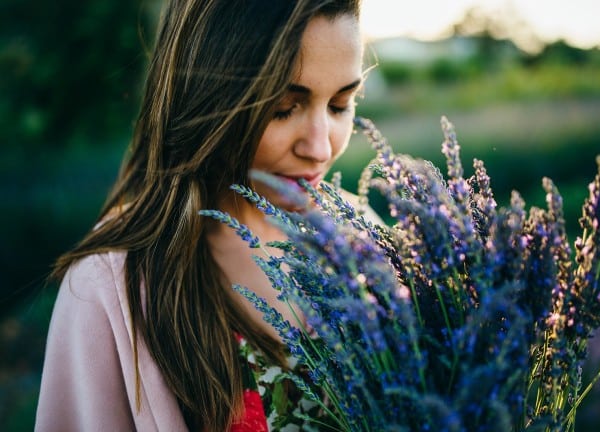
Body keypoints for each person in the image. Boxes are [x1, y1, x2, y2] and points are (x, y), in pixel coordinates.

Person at [35, 0, 370, 430]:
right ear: (207, 98)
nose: (321, 149)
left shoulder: (362, 240)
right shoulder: (110, 286)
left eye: (341, 105)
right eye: (283, 109)